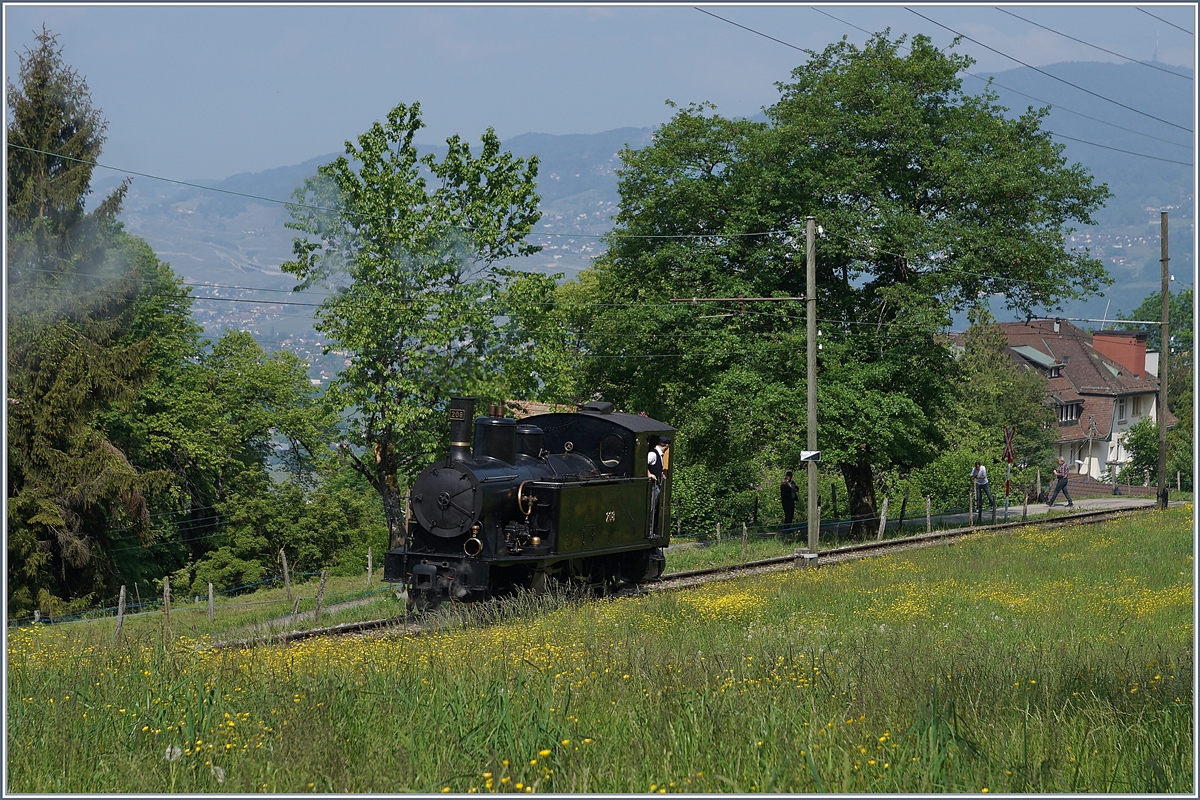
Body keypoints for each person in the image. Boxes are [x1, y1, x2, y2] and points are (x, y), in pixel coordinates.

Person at [647, 436, 670, 536]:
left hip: (656, 485)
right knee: (651, 508)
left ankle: (651, 530)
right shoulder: (653, 454)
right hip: (652, 486)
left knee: (654, 508)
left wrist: (661, 474)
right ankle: (649, 531)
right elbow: (644, 464)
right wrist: (649, 475)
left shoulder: (659, 454)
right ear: (667, 445)